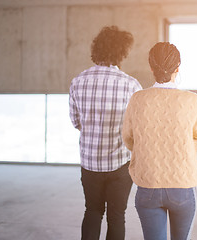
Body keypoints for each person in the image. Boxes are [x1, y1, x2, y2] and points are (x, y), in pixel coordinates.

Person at [122, 42, 197, 240]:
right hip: (182, 186)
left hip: (148, 184)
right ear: (178, 67)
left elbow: (128, 139)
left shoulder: (137, 99)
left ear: (151, 67)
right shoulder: (191, 101)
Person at [69, 26, 142, 240]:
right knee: (117, 216)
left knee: (92, 211)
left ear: (96, 49)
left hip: (89, 162)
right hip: (120, 163)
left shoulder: (78, 82)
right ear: (123, 52)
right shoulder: (131, 85)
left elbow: (75, 121)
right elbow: (134, 128)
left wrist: (93, 130)